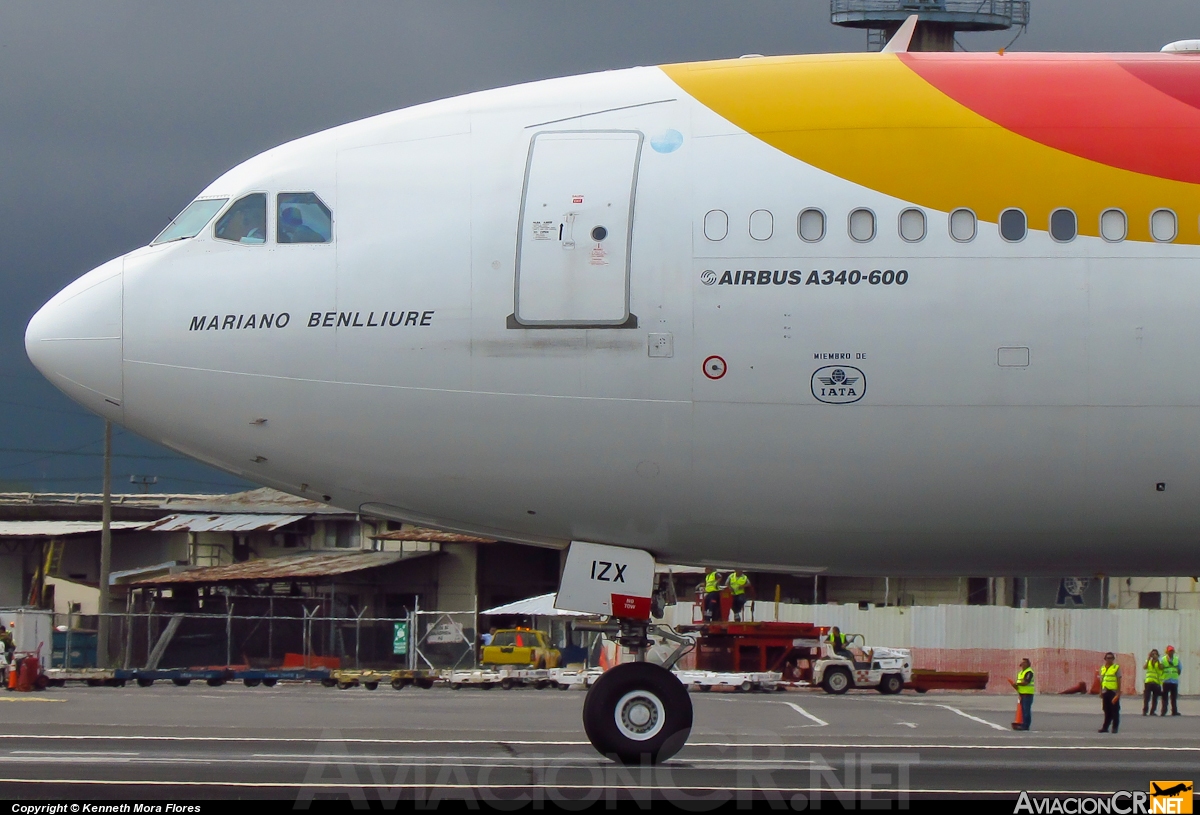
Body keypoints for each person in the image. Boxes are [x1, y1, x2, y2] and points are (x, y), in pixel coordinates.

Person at [1009, 657, 1035, 730]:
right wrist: (1015, 686)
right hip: (1022, 694)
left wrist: (1017, 684)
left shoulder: (1029, 672)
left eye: (1024, 663)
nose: (1022, 664)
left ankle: (1026, 725)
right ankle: (1023, 724)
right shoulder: (1020, 673)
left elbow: (1026, 682)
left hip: (1028, 694)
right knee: (1023, 711)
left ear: (1027, 664)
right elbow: (1020, 684)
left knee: (1026, 711)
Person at [1098, 652, 1122, 733]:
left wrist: (1118, 692)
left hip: (1113, 692)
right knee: (1106, 710)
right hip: (1105, 691)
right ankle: (1105, 727)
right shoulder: (1102, 668)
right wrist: (1100, 691)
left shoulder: (1116, 667)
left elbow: (1119, 680)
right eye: (1108, 658)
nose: (1109, 659)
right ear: (1105, 659)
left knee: (1115, 710)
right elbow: (1102, 681)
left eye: (1111, 658)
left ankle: (1115, 727)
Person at [1160, 645, 1181, 716]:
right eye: (1170, 651)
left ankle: (1174, 711)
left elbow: (1179, 669)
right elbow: (1160, 668)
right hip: (1166, 681)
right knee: (1165, 697)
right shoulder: (1163, 659)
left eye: (1172, 651)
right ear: (1167, 652)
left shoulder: (1176, 659)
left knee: (1174, 697)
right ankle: (1163, 711)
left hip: (1174, 681)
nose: (1171, 652)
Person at [1143, 649, 1163, 716]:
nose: (1154, 655)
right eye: (1153, 654)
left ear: (1158, 655)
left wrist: (1157, 660)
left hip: (1156, 682)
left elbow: (1161, 668)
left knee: (1155, 698)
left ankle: (1152, 711)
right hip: (1148, 681)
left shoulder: (1159, 662)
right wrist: (1148, 658)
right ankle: (1145, 711)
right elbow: (1144, 667)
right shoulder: (1148, 661)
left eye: (1155, 654)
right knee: (1146, 698)